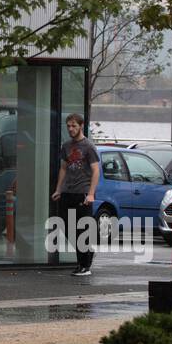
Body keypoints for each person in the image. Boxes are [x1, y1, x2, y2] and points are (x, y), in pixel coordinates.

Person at [51, 113, 100, 276]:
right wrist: (58, 189)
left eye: (74, 126)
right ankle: (87, 255)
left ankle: (84, 266)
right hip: (67, 192)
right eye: (68, 126)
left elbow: (95, 171)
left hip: (82, 194)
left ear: (81, 126)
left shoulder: (89, 147)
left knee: (82, 230)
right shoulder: (66, 146)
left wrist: (91, 194)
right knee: (65, 227)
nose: (70, 129)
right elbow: (63, 168)